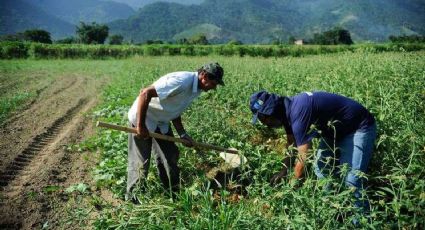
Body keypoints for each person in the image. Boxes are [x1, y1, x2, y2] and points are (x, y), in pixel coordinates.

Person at [249, 90, 376, 212]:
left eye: (263, 118)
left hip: (358, 127)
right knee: (321, 169)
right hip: (333, 132)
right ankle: (330, 210)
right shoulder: (286, 113)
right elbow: (291, 145)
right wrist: (284, 170)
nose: (264, 123)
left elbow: (304, 156)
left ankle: (359, 221)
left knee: (352, 181)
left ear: (272, 111)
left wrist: (291, 187)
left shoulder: (298, 112)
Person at [126, 62, 224, 201]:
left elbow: (175, 109)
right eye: (214, 83)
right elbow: (145, 93)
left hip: (162, 121)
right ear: (204, 75)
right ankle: (132, 200)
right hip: (144, 118)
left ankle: (173, 194)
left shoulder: (197, 89)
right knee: (141, 162)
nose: (214, 87)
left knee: (170, 156)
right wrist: (140, 126)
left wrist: (182, 134)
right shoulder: (182, 81)